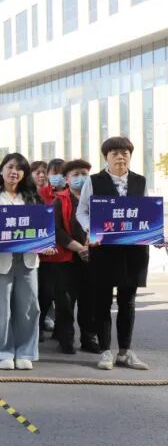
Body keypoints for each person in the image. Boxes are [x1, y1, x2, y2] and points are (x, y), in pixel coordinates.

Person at [77, 136, 152, 370]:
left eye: (125, 153)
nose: (120, 157)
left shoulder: (140, 181)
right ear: (106, 157)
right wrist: (90, 230)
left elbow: (147, 212)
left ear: (130, 156)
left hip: (134, 250)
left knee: (127, 301)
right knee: (102, 300)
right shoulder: (93, 181)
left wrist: (156, 233)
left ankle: (125, 351)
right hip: (103, 250)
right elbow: (82, 211)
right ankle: (105, 351)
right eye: (114, 153)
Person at [0, 153, 51, 369]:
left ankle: (25, 352)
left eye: (19, 168)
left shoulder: (32, 197)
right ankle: (2, 353)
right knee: (0, 309)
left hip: (27, 259)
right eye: (10, 167)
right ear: (1, 170)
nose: (14, 172)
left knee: (29, 307)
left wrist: (46, 244)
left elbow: (41, 228)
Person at [51, 159, 97, 355]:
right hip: (67, 258)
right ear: (66, 179)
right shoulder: (59, 200)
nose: (81, 178)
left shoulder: (98, 199)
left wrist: (89, 248)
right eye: (76, 174)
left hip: (92, 257)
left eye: (84, 174)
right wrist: (79, 248)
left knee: (90, 300)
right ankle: (66, 339)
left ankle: (89, 338)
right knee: (65, 302)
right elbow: (56, 230)